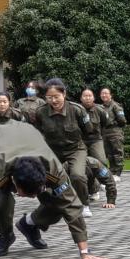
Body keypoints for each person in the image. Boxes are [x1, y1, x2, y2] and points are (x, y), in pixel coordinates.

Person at [0, 120, 110, 259]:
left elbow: (71, 205)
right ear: (14, 182)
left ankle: (30, 224)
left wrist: (85, 252)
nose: (31, 198)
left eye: (35, 193)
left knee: (58, 202)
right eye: (25, 193)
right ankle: (6, 235)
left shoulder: (53, 168)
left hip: (29, 137)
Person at [32, 78, 94, 216]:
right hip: (53, 150)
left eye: (56, 96)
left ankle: (83, 204)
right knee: (47, 177)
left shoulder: (77, 110)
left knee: (77, 176)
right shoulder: (40, 112)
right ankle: (53, 204)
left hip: (75, 149)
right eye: (49, 97)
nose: (53, 101)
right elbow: (37, 132)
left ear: (64, 94)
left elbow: (88, 131)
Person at [78, 87, 117, 207]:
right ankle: (93, 189)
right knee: (84, 166)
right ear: (81, 98)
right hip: (81, 140)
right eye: (85, 96)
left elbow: (105, 123)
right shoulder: (77, 109)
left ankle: (106, 184)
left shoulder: (100, 110)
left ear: (94, 98)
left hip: (96, 139)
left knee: (101, 161)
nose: (87, 98)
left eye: (90, 96)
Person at [98, 87, 128, 179]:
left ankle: (118, 173)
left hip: (115, 132)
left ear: (110, 95)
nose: (104, 95)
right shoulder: (100, 107)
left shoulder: (115, 106)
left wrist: (114, 124)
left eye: (106, 93)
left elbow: (122, 120)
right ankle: (112, 171)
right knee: (109, 154)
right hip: (105, 132)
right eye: (102, 93)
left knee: (117, 152)